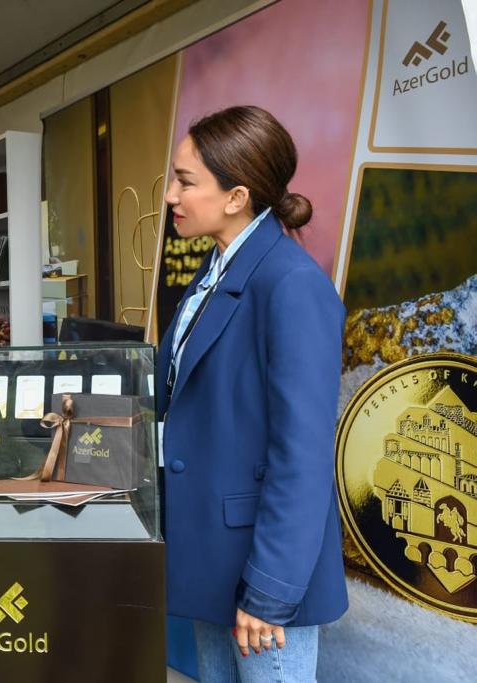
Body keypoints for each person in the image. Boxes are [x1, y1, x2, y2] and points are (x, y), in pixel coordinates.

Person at [155, 106, 348, 682]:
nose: (170, 196)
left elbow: (303, 455)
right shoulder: (216, 270)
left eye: (186, 182)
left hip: (263, 572)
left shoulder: (292, 285)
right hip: (213, 556)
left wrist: (270, 590)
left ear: (237, 196)